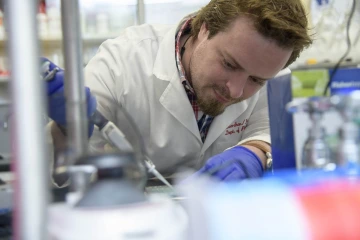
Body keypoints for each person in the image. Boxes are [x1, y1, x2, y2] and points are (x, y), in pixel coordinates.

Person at [47, 0, 312, 182]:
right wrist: (70, 129)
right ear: (204, 28)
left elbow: (272, 134)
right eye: (229, 64)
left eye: (256, 79)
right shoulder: (121, 62)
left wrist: (254, 152)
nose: (236, 90)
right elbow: (62, 172)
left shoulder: (274, 76)